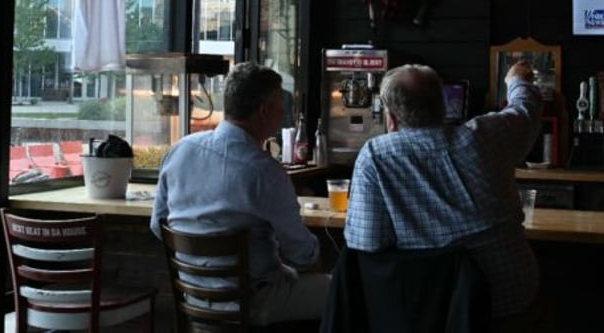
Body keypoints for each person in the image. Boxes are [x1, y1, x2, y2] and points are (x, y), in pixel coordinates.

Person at [343, 61, 545, 327]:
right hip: (507, 299)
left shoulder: (375, 156)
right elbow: (525, 109)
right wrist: (516, 80)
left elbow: (368, 244)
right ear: (442, 106)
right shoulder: (486, 135)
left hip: (429, 308)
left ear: (391, 119)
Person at [150, 62, 330, 325]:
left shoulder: (180, 150)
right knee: (345, 292)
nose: (283, 112)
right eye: (281, 104)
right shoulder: (264, 172)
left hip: (191, 298)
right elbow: (302, 255)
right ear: (264, 111)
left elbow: (158, 225)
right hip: (253, 302)